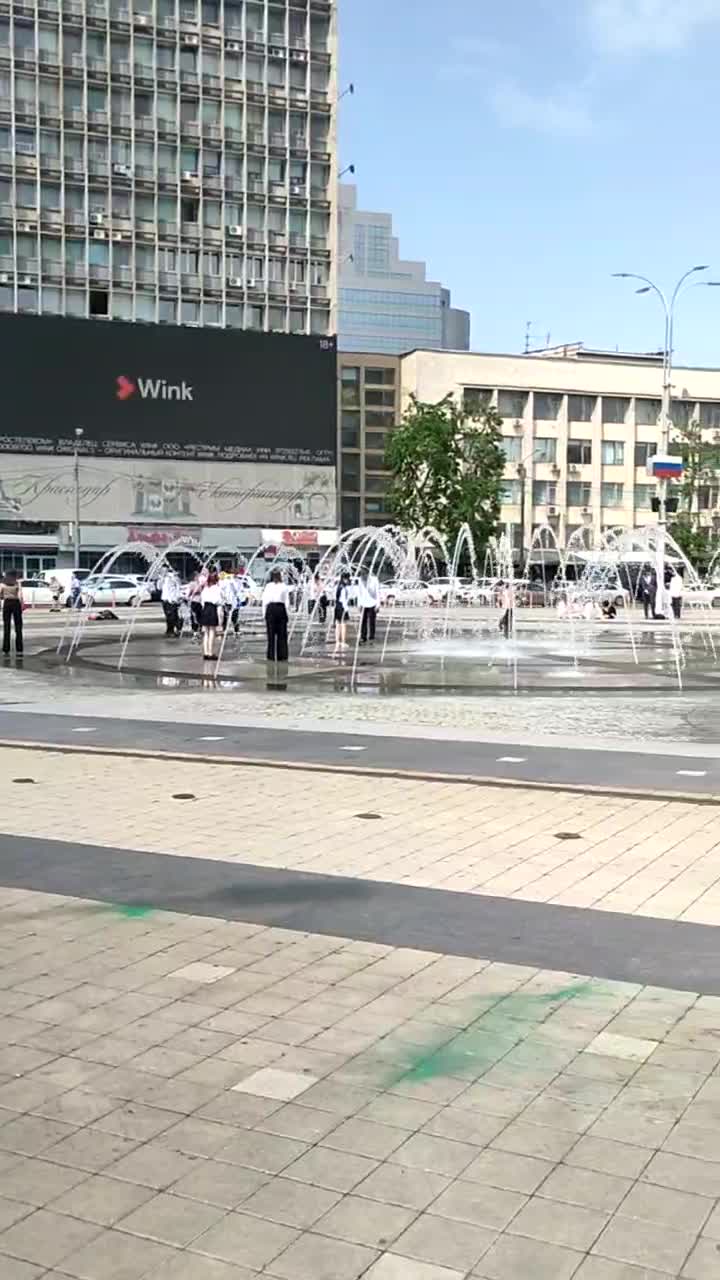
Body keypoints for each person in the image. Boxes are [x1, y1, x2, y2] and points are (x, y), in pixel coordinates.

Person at [262, 568, 289, 662]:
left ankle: (282, 655)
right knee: (271, 634)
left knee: (282, 634)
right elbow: (265, 600)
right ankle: (271, 656)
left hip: (280, 608)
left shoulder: (284, 586)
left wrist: (287, 613)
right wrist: (264, 613)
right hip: (272, 608)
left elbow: (286, 600)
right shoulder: (269, 586)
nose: (276, 578)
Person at [200, 570, 222, 660]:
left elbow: (202, 600)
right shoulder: (217, 588)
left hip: (205, 608)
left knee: (206, 632)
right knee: (212, 631)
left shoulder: (205, 589)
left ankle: (205, 652)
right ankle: (210, 652)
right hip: (212, 608)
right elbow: (218, 600)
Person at [1, 570, 23, 656]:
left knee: (6, 626)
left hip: (7, 603)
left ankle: (6, 649)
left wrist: (4, 595)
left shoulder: (3, 583)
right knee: (18, 626)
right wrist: (21, 604)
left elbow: (0, 595)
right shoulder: (17, 583)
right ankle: (19, 648)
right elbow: (20, 595)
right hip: (16, 603)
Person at [358, 566, 380, 643]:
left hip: (372, 603)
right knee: (363, 621)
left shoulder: (374, 580)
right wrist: (359, 604)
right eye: (361, 574)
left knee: (372, 621)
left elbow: (377, 592)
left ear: (367, 573)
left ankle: (371, 637)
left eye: (364, 574)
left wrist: (378, 605)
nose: (362, 575)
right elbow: (359, 593)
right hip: (363, 603)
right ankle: (363, 637)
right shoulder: (360, 580)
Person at [333, 571, 352, 651]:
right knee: (343, 625)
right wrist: (346, 610)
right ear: (345, 579)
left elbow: (335, 597)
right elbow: (344, 600)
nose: (348, 581)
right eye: (347, 579)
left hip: (337, 607)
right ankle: (343, 642)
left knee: (338, 624)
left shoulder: (337, 586)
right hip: (342, 608)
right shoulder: (343, 588)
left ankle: (337, 642)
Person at [160, 571, 182, 636]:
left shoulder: (175, 578)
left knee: (173, 616)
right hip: (165, 599)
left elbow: (178, 588)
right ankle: (169, 630)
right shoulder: (164, 578)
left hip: (173, 600)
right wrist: (161, 579)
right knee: (168, 616)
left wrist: (177, 598)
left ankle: (178, 629)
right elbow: (159, 587)